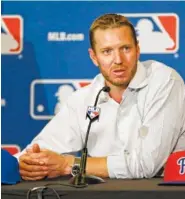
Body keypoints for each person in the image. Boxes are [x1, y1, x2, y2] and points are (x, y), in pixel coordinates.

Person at [15, 13, 185, 181]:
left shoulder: (163, 81)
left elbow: (146, 165)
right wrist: (32, 163)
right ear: (94, 57)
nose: (118, 60)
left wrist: (68, 164)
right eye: (107, 51)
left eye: (125, 48)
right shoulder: (83, 99)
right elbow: (40, 149)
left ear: (138, 50)